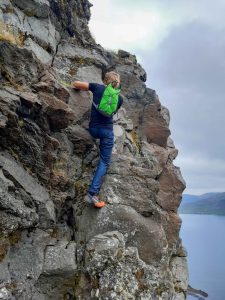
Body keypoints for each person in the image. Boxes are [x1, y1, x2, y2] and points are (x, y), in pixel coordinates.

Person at [72, 71, 123, 208]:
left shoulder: (97, 87)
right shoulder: (120, 98)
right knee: (104, 162)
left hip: (93, 130)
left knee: (101, 149)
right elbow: (110, 112)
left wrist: (76, 86)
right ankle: (92, 193)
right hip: (107, 132)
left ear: (105, 81)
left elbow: (76, 84)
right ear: (117, 83)